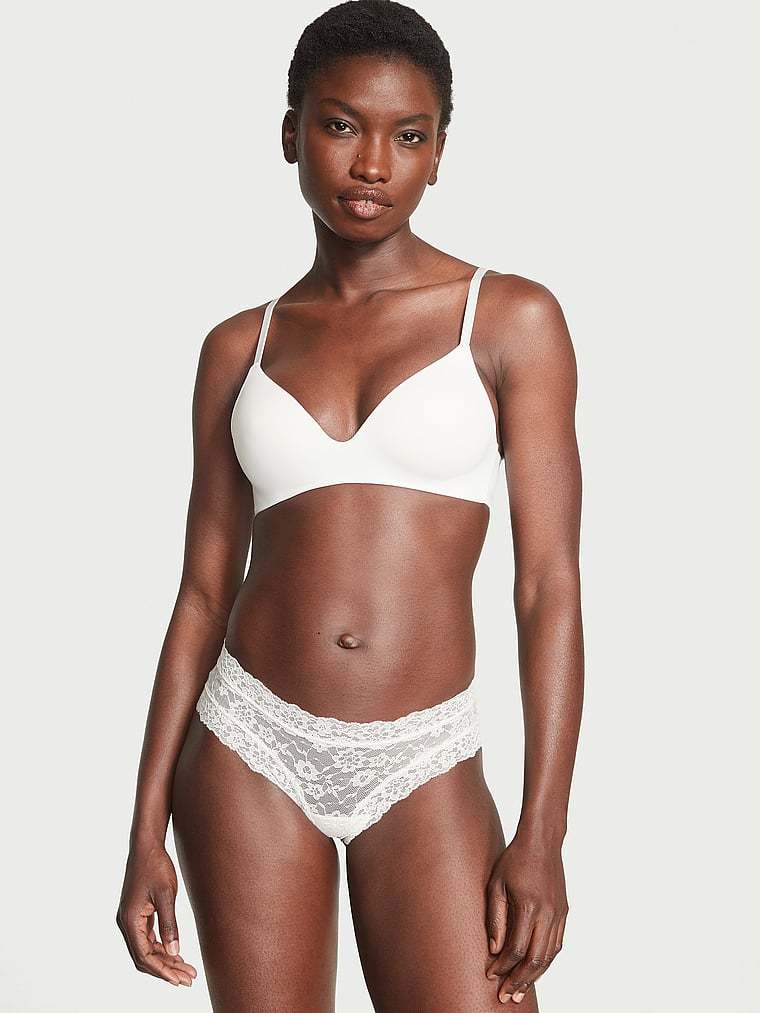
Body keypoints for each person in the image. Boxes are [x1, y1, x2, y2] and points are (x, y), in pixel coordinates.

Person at [116, 2, 584, 1009]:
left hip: (424, 754)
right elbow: (202, 593)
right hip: (245, 745)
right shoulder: (238, 347)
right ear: (291, 133)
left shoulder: (509, 318)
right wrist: (144, 825)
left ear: (439, 153)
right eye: (341, 126)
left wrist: (542, 828)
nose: (373, 163)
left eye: (408, 136)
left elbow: (547, 584)